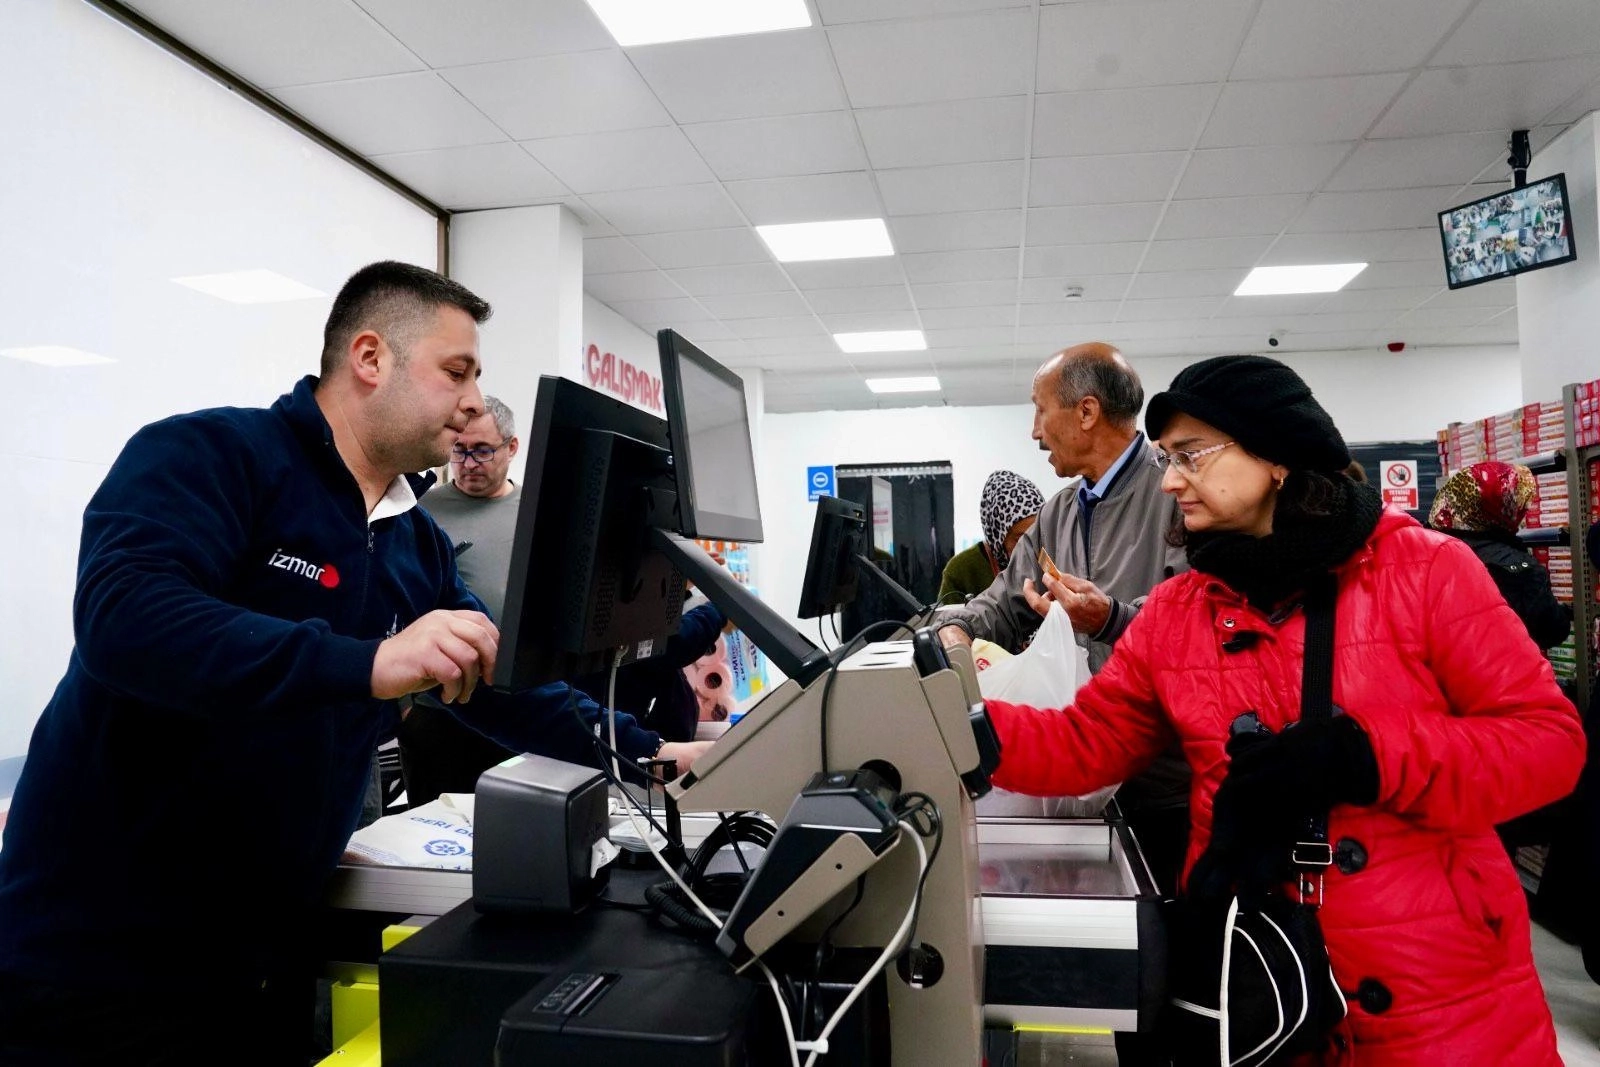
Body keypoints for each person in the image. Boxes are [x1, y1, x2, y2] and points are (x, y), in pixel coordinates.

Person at [0, 261, 707, 1064]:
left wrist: (646, 754)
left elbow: (501, 684)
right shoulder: (211, 454)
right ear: (370, 358)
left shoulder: (414, 540)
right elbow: (125, 621)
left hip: (263, 952)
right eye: (457, 371)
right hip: (100, 957)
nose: (474, 400)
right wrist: (369, 661)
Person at [984, 354, 1584, 1064]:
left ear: (1275, 458)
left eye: (1190, 455)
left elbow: (1548, 743)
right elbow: (1087, 741)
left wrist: (1368, 756)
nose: (1169, 480)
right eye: (1168, 458)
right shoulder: (1178, 611)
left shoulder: (1426, 571)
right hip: (1259, 989)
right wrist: (959, 732)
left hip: (1441, 994)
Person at [934, 342, 1190, 892]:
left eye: (1039, 409)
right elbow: (1003, 601)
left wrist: (1111, 618)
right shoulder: (1058, 512)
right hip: (1082, 777)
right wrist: (953, 629)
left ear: (1086, 412)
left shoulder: (1174, 494)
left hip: (1164, 789)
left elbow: (1190, 621)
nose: (1034, 431)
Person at [397, 396, 727, 804]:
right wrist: (402, 705)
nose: (468, 463)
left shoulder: (545, 512)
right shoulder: (420, 513)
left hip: (524, 707)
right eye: (459, 451)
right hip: (444, 714)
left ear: (511, 448)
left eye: (481, 450)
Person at [1428, 461, 1571, 651]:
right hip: (1501, 666)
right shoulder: (1520, 569)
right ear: (1501, 509)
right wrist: (1566, 612)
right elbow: (1549, 631)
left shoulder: (1424, 551)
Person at [937, 469, 1044, 606]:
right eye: (1019, 539)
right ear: (998, 536)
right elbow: (948, 618)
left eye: (1036, 534)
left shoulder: (1049, 559)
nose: (1031, 544)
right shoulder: (960, 571)